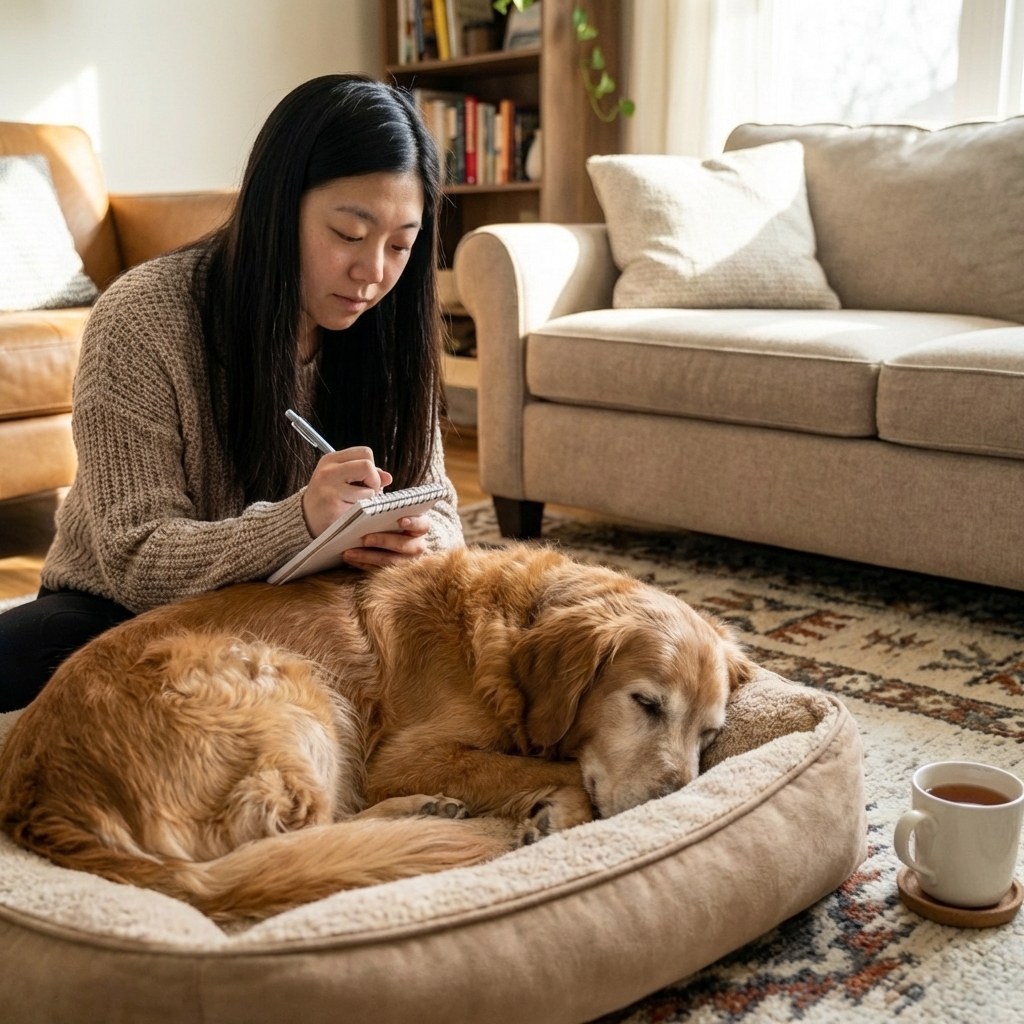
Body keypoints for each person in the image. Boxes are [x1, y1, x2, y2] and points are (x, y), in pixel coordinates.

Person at [0, 75, 463, 712]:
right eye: (349, 235)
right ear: (278, 208)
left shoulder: (394, 331)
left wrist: (417, 541)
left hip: (311, 614)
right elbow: (138, 556)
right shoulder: (143, 319)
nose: (374, 272)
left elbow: (441, 512)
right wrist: (298, 522)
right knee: (47, 667)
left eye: (401, 245)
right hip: (128, 610)